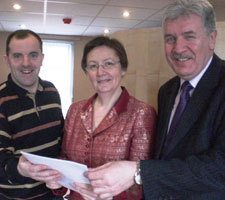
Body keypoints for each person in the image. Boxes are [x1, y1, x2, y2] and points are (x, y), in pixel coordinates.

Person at [77, 0, 225, 199]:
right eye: (170, 39)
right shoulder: (168, 91)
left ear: (212, 38)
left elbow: (220, 168)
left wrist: (139, 172)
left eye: (189, 36)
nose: (178, 48)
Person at [19, 36, 157, 200]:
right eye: (93, 66)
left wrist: (106, 195)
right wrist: (57, 182)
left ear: (123, 69)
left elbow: (140, 179)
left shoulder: (141, 113)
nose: (100, 72)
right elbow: (65, 160)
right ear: (87, 72)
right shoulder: (75, 110)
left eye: (108, 64)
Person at [0, 29, 64, 199]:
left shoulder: (52, 91)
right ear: (7, 60)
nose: (26, 63)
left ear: (42, 58)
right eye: (17, 56)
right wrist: (20, 168)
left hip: (54, 193)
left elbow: (61, 139)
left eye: (33, 55)